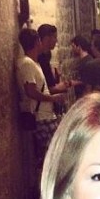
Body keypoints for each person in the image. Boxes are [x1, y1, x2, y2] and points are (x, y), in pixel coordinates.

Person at [15, 27, 66, 168]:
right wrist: (53, 98)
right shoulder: (27, 64)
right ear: (36, 42)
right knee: (54, 156)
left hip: (46, 115)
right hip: (41, 117)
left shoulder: (33, 63)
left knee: (53, 154)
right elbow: (31, 91)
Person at [37, 24, 72, 116]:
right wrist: (60, 87)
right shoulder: (39, 57)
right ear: (46, 38)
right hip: (42, 110)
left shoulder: (47, 54)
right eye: (54, 37)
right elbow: (45, 88)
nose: (56, 40)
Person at [69, 34, 93, 99]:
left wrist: (74, 82)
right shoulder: (83, 60)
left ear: (79, 47)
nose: (72, 49)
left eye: (73, 46)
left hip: (85, 95)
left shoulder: (88, 61)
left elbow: (88, 80)